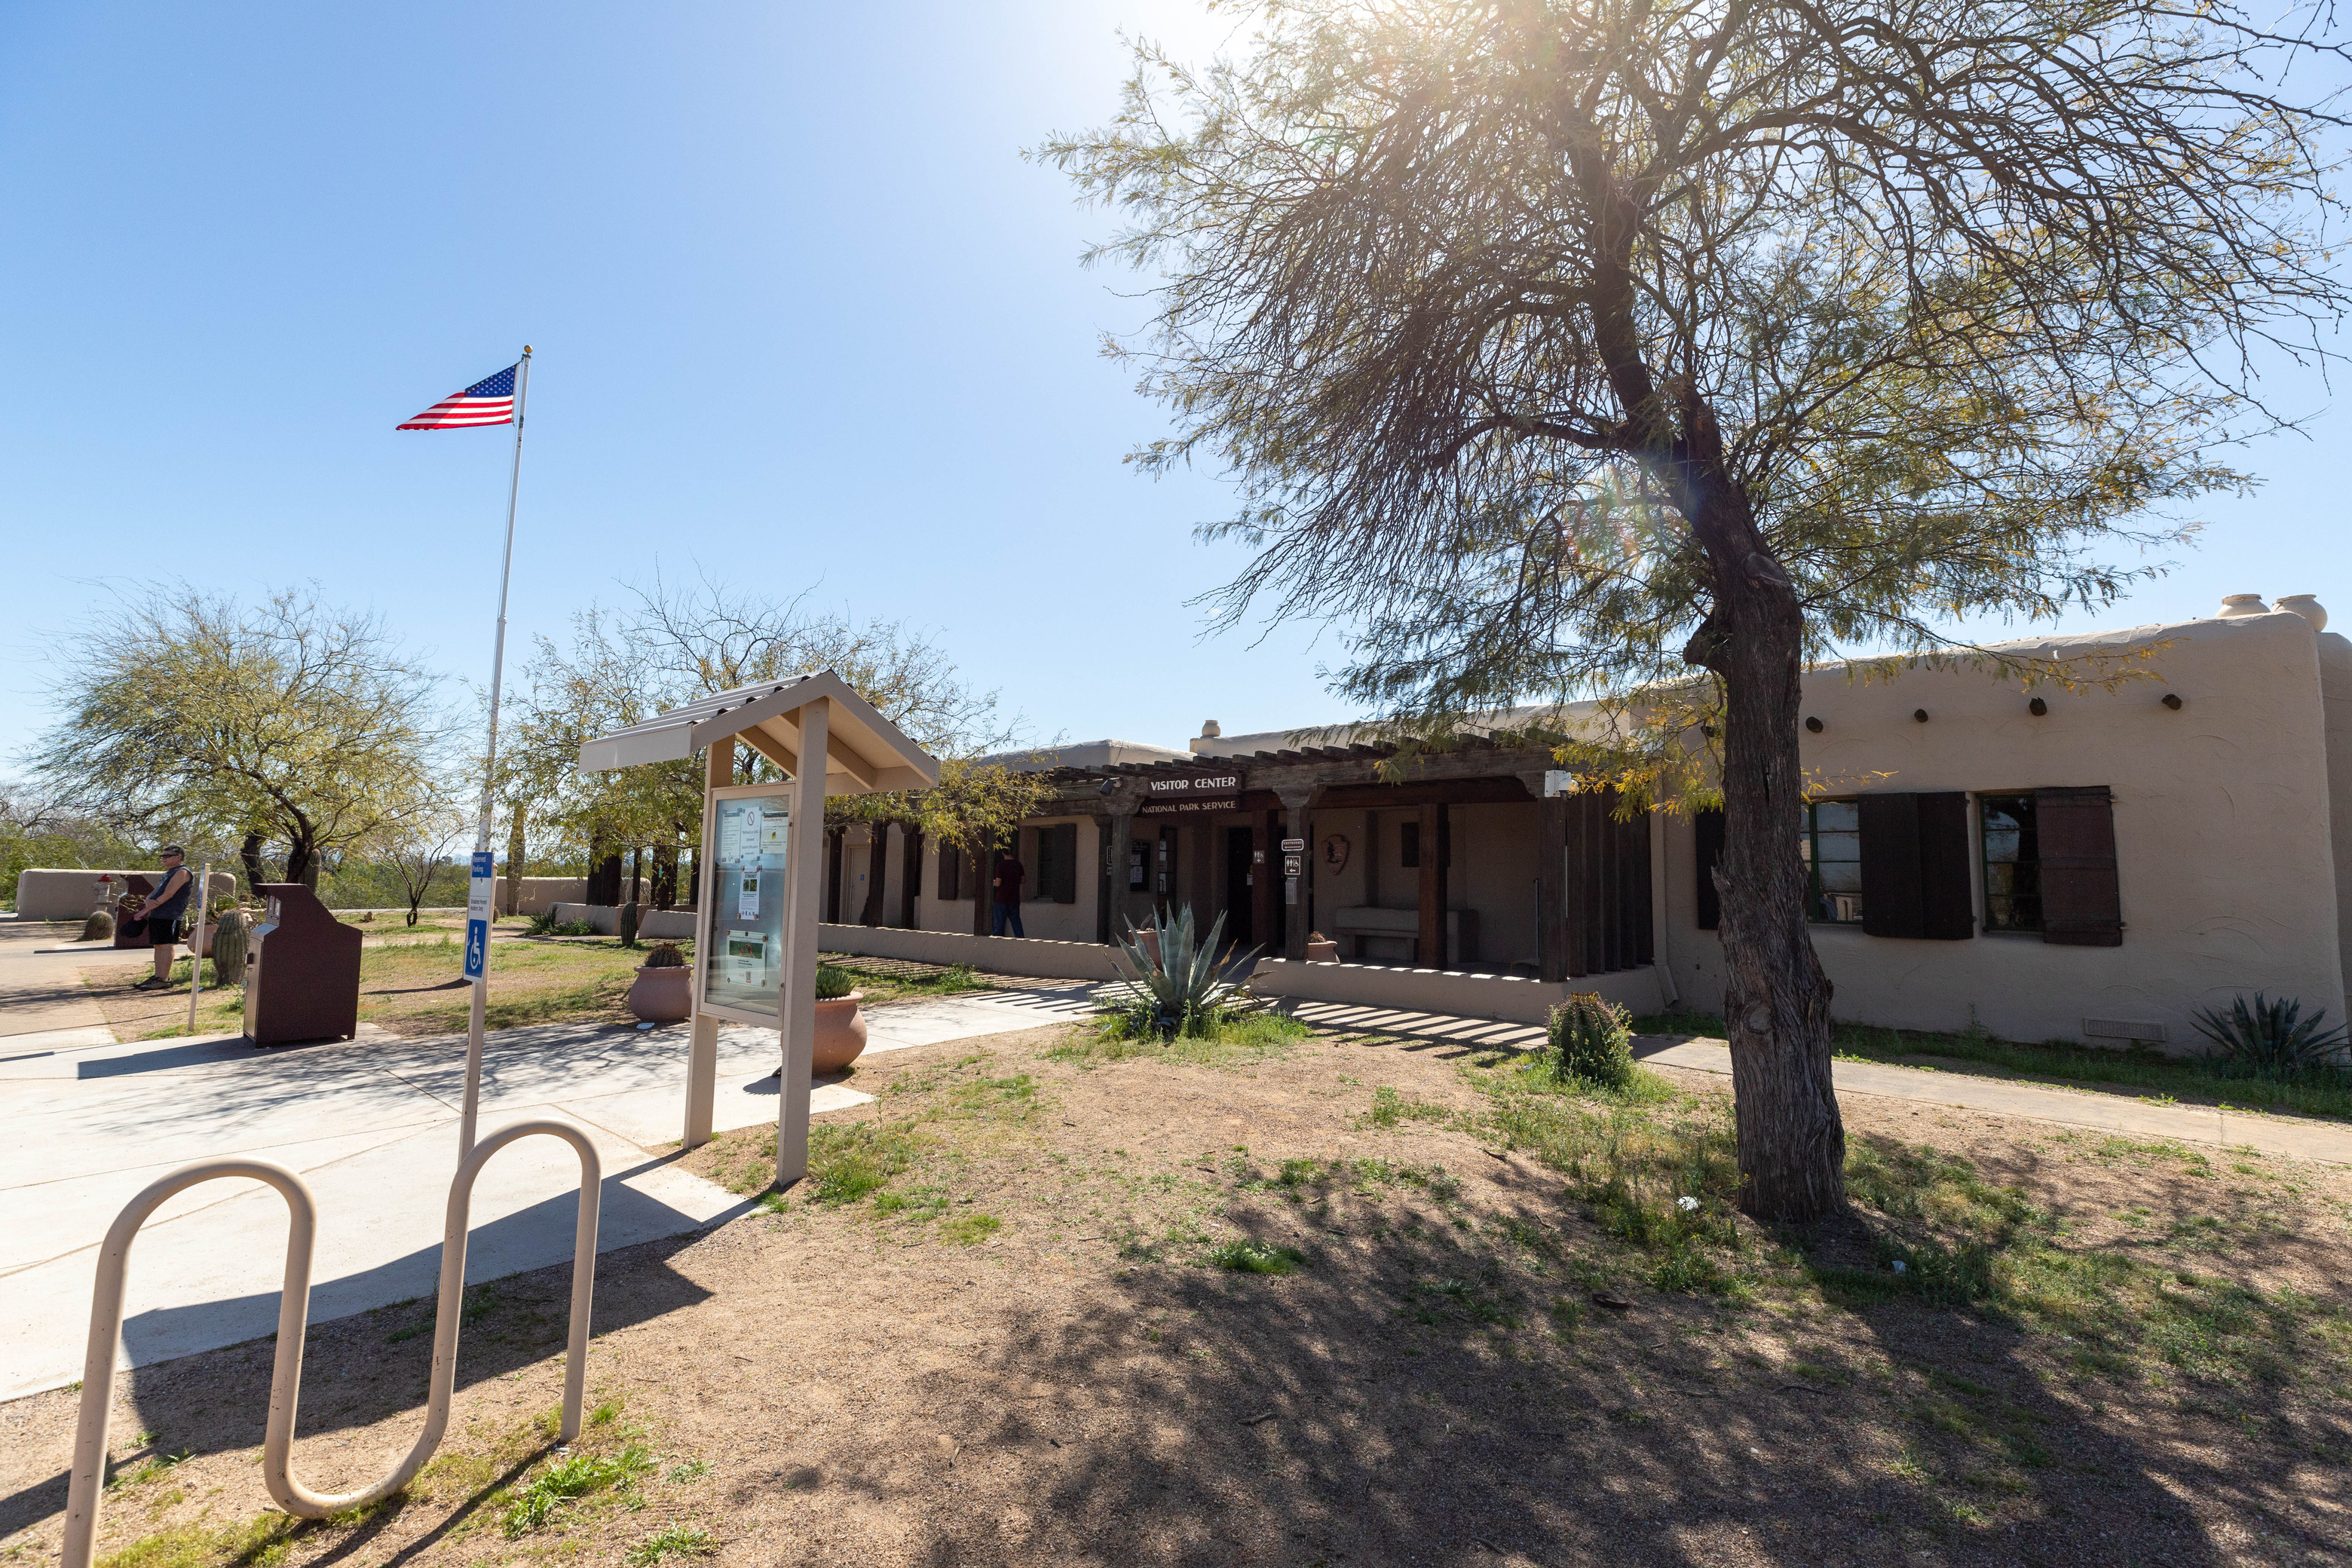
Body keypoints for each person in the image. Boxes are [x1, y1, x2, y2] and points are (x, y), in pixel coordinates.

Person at [128, 846, 196, 991]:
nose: (163, 858)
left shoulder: (182, 872)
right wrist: (148, 900)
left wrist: (149, 907)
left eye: (167, 856)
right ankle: (157, 976)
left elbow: (169, 893)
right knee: (158, 945)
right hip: (157, 914)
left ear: (178, 857)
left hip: (170, 915)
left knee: (166, 945)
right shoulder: (168, 873)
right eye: (162, 856)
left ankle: (164, 979)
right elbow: (157, 891)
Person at [991, 850, 1026, 939]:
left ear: (1003, 853)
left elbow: (998, 882)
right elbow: (1023, 880)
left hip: (1002, 899)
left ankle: (996, 946)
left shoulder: (1001, 865)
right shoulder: (1018, 865)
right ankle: (1022, 943)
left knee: (999, 925)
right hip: (1014, 899)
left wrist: (991, 883)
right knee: (1017, 924)